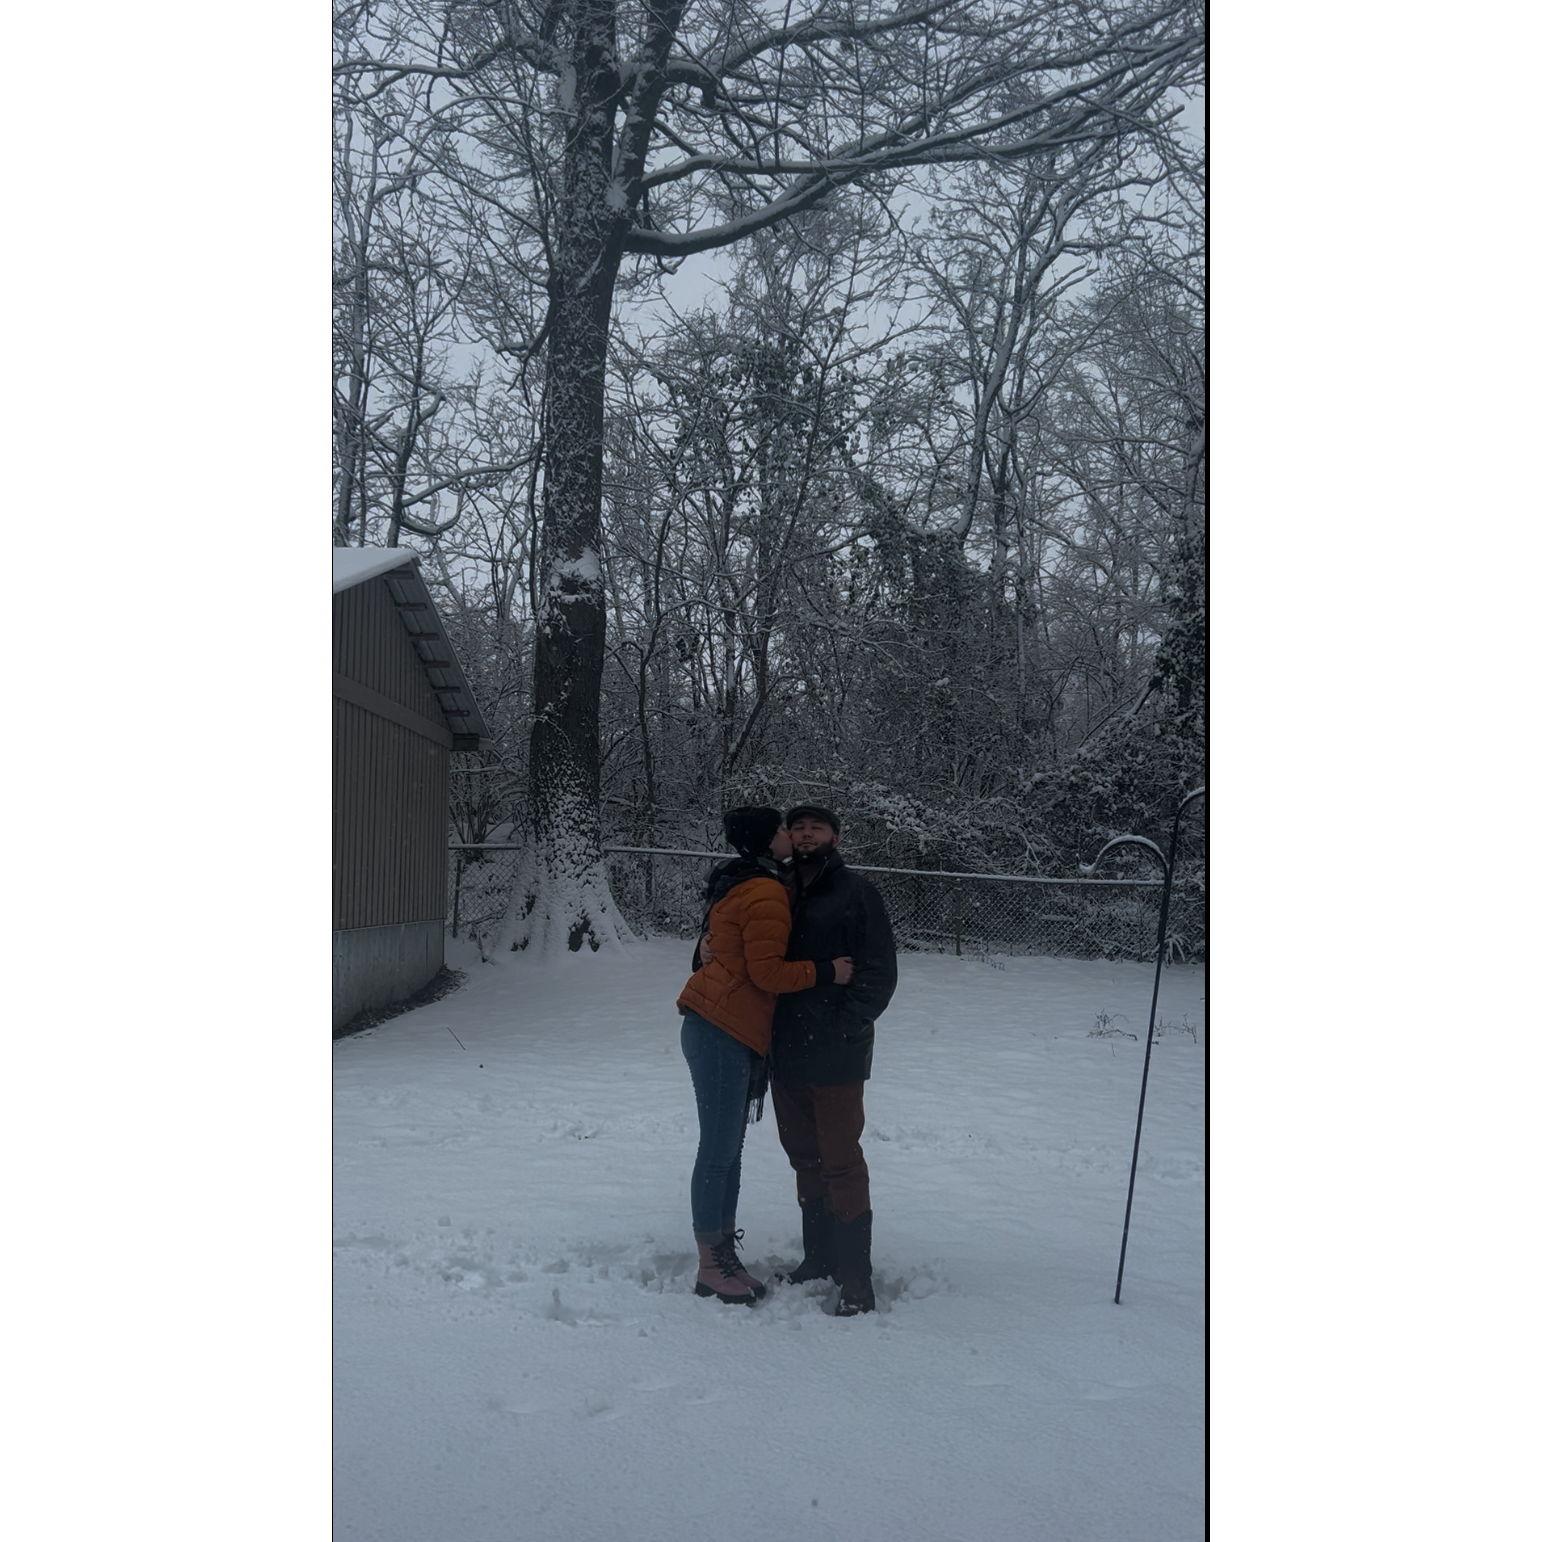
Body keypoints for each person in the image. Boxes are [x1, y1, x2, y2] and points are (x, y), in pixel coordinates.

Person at [677, 807, 853, 1305]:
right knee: (718, 1151)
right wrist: (828, 971)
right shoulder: (764, 889)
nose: (790, 836)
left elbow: (722, 947)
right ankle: (711, 1266)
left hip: (721, 1025)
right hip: (721, 1028)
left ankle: (721, 1255)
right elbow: (767, 973)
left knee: (726, 1151)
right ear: (765, 839)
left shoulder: (740, 880)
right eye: (782, 829)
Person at [770, 804, 898, 1316]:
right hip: (784, 1048)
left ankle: (856, 1278)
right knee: (803, 1155)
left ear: (835, 837)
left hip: (837, 1052)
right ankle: (818, 1258)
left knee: (841, 1160)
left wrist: (845, 1026)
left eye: (816, 828)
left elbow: (879, 972)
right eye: (798, 828)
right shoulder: (775, 888)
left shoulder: (857, 893)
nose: (806, 835)